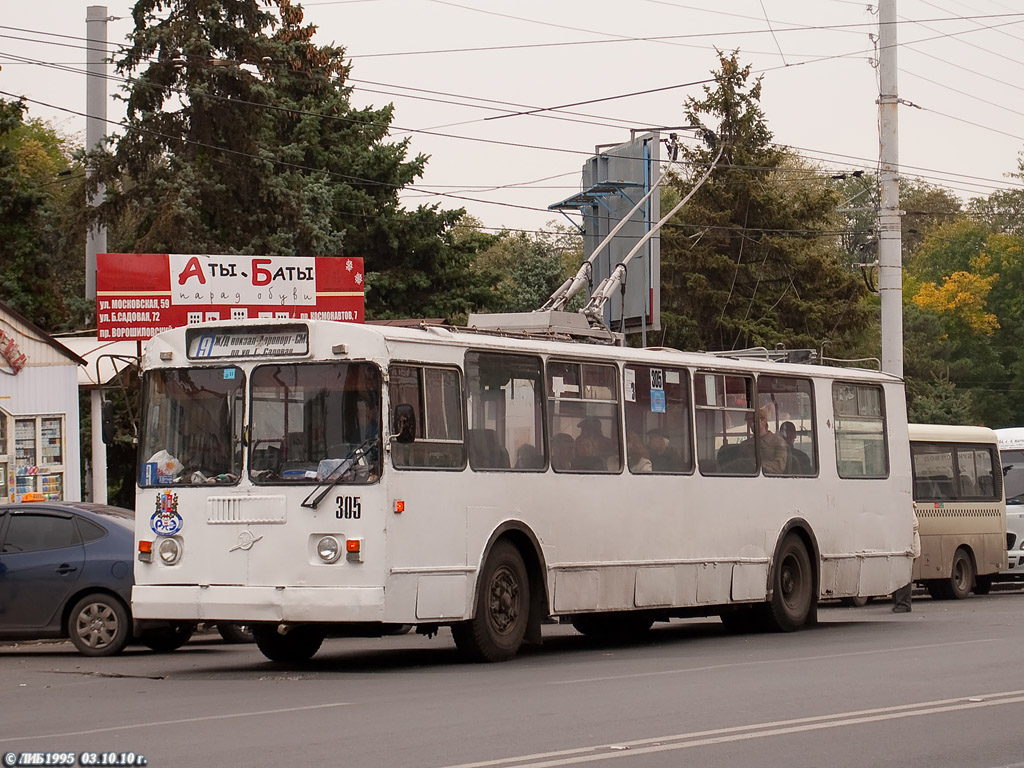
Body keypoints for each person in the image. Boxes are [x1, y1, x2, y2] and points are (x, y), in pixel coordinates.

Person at [892, 510, 921, 613]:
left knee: (904, 575)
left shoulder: (907, 507)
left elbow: (915, 525)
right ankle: (899, 602)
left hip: (909, 548)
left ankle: (904, 604)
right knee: (899, 575)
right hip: (904, 548)